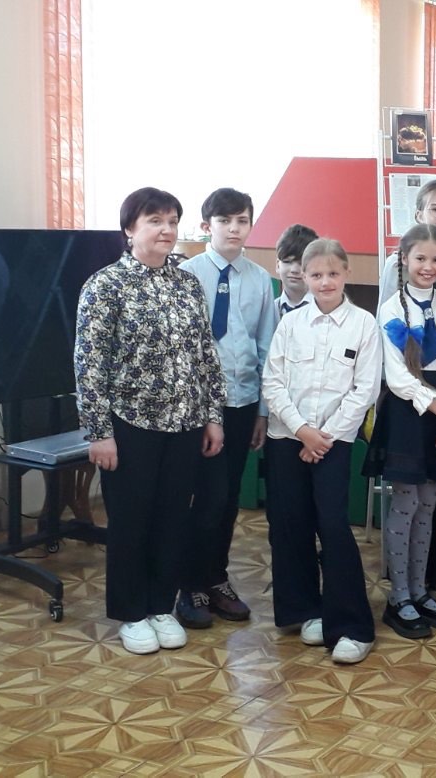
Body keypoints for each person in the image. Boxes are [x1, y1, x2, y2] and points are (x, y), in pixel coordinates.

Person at [74, 186, 226, 655]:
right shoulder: (105, 285)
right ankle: (131, 613)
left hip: (185, 422)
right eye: (155, 221)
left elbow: (205, 355)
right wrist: (99, 432)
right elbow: (88, 364)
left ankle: (161, 605)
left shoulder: (187, 284)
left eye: (172, 221)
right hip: (129, 424)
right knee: (130, 520)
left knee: (172, 518)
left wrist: (213, 416)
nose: (166, 230)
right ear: (129, 229)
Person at [262, 238, 380, 664]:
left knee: (332, 525)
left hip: (334, 442)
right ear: (304, 277)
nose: (325, 281)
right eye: (316, 274)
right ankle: (305, 610)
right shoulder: (291, 324)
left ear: (346, 273)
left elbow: (365, 389)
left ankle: (352, 626)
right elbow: (273, 381)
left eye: (332, 273)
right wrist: (301, 430)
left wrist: (322, 437)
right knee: (289, 523)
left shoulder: (363, 324)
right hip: (287, 438)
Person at [365, 223, 436, 639]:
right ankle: (399, 598)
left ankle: (420, 591)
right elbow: (396, 376)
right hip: (410, 413)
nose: (428, 266)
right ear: (404, 260)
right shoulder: (392, 308)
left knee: (429, 504)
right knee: (406, 503)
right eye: (420, 258)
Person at [179, 187, 278, 628]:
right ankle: (191, 584)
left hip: (242, 402)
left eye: (242, 221)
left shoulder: (259, 279)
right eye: (225, 221)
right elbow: (183, 349)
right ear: (207, 226)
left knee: (229, 497)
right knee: (205, 496)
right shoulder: (186, 275)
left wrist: (263, 411)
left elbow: (267, 346)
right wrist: (200, 410)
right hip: (200, 407)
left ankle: (217, 578)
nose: (234, 229)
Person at [274, 224, 318, 315]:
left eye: (301, 263)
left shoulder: (326, 310)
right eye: (287, 261)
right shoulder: (269, 310)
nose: (294, 270)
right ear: (278, 265)